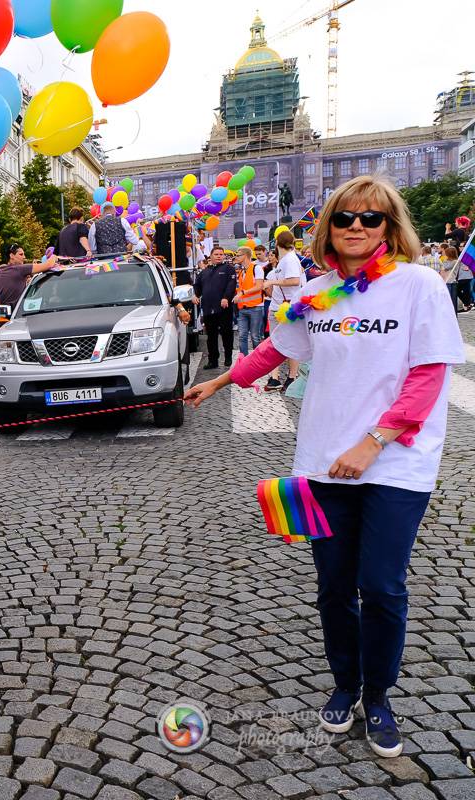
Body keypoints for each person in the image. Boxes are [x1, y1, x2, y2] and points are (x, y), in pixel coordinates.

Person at [185, 175, 464, 760]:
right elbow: (275, 351)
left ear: (390, 228)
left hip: (394, 466)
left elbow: (428, 375)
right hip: (321, 464)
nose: (357, 227)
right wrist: (216, 381)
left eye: (371, 219)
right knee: (334, 588)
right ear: (329, 228)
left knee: (381, 586)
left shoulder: (418, 285)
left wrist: (373, 442)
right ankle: (345, 684)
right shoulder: (320, 294)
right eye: (345, 218)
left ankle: (380, 695)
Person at [262, 230, 304, 390]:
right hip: (278, 306)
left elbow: (294, 281)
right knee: (276, 343)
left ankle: (292, 377)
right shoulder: (285, 260)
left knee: (289, 343)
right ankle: (275, 377)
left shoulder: (290, 259)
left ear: (277, 243)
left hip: (286, 307)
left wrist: (272, 282)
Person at [193, 245, 237, 369]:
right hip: (208, 308)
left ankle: (228, 357)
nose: (219, 256)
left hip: (224, 307)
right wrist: (195, 295)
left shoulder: (229, 269)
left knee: (226, 334)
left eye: (221, 254)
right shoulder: (204, 272)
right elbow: (197, 286)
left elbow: (231, 285)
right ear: (211, 256)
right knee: (211, 337)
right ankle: (213, 360)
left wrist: (226, 297)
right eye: (216, 254)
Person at [0, 244, 58, 312]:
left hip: (6, 316)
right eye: (21, 254)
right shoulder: (19, 269)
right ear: (11, 256)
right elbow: (48, 265)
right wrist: (54, 256)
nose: (24, 257)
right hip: (22, 314)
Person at [233, 247, 266, 358]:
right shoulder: (242, 271)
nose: (236, 257)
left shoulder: (257, 268)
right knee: (242, 336)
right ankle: (244, 360)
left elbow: (259, 286)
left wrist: (242, 293)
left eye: (238, 255)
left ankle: (258, 360)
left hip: (256, 307)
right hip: (243, 308)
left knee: (255, 336)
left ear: (245, 256)